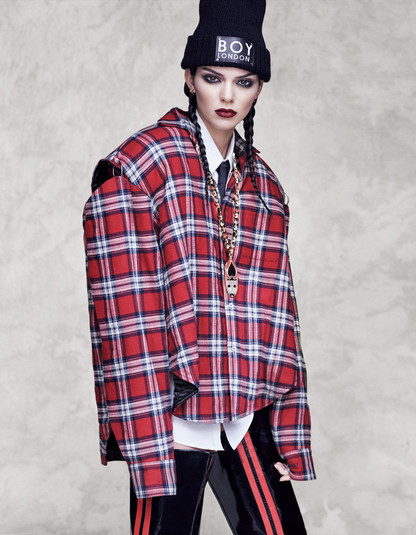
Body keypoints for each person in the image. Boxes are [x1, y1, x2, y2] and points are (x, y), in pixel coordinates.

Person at [83, 1, 316, 533]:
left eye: (244, 81)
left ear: (259, 89)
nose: (228, 95)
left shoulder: (264, 187)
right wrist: (146, 446)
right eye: (213, 78)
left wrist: (287, 435)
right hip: (170, 423)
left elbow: (281, 321)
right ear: (189, 79)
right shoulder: (139, 169)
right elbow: (126, 323)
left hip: (243, 415)